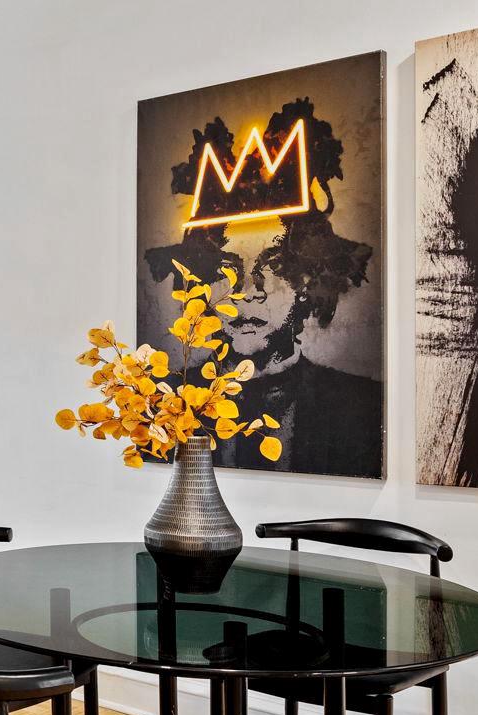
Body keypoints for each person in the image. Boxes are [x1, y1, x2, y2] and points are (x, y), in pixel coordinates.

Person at [141, 98, 381, 478]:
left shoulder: (361, 405)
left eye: (273, 266)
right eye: (228, 268)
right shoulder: (161, 405)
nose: (251, 290)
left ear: (304, 282)